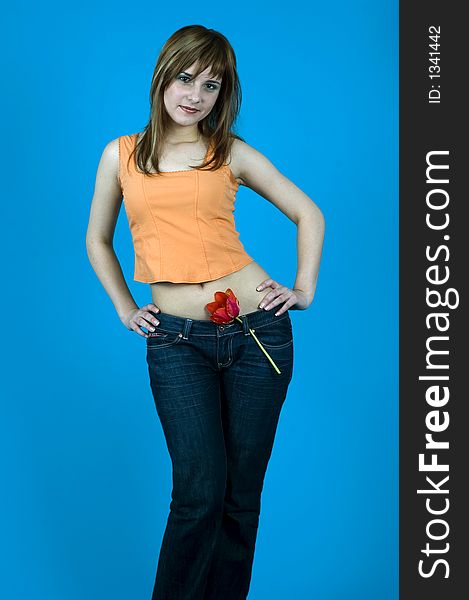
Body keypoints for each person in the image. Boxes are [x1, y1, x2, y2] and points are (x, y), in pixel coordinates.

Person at [86, 24, 325, 600]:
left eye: (211, 85)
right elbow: (97, 239)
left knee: (240, 497)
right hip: (176, 343)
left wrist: (302, 288)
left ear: (224, 94)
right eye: (186, 78)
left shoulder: (229, 153)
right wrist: (125, 308)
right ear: (163, 77)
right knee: (198, 492)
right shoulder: (121, 155)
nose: (195, 94)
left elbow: (309, 214)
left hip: (258, 335)